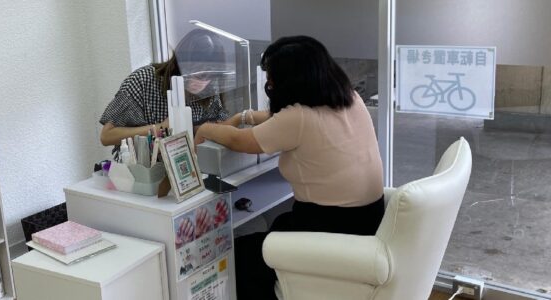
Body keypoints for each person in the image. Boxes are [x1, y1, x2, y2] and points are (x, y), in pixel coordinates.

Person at [194, 36, 385, 299]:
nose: (269, 85)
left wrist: (204, 128)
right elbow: (281, 121)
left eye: (272, 79)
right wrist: (243, 116)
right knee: (277, 224)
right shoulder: (349, 99)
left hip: (331, 231)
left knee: (239, 257)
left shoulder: (299, 118)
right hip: (366, 221)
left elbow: (241, 141)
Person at [99, 29, 231, 146]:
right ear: (179, 63)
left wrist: (241, 118)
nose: (198, 80)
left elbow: (221, 125)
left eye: (207, 74)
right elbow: (107, 136)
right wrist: (161, 128)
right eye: (192, 70)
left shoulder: (210, 90)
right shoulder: (142, 81)